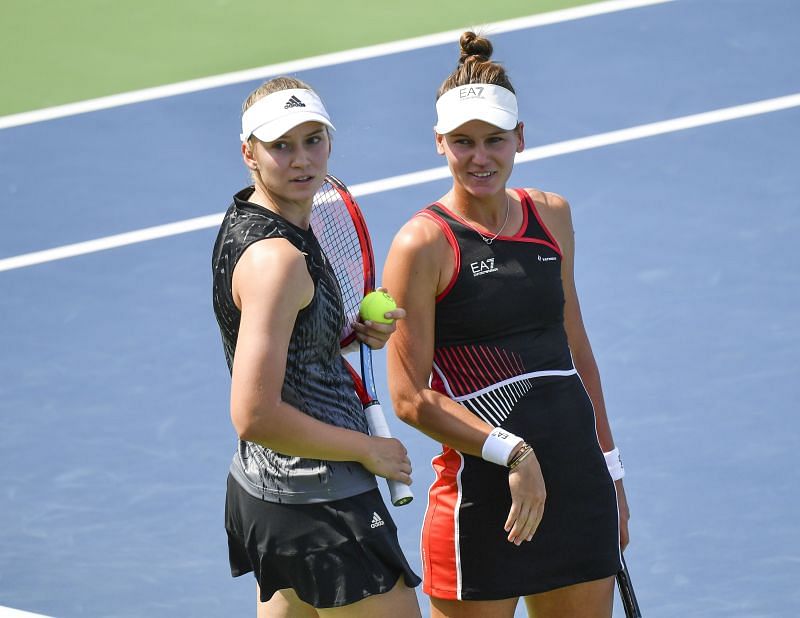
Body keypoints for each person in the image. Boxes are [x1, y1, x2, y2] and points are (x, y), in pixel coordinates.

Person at [382, 32, 630, 618]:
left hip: (576, 482)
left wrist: (611, 471)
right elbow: (409, 397)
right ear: (439, 143)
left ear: (520, 137)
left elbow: (576, 351)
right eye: (463, 142)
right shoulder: (422, 244)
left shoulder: (552, 216)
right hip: (482, 496)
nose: (480, 157)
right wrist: (513, 453)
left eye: (494, 140)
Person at [212, 76, 421, 618]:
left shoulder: (254, 222)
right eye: (281, 145)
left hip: (266, 491)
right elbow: (253, 414)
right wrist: (367, 449)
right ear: (249, 153)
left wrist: (346, 334)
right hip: (321, 499)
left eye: (313, 140)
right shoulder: (279, 261)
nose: (301, 159)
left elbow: (284, 345)